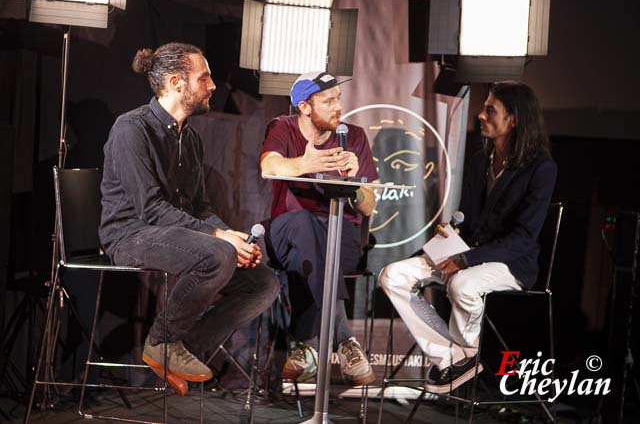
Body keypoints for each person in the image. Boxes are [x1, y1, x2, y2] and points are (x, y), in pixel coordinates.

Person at [99, 43, 279, 396]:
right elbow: (150, 209)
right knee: (219, 254)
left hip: (172, 234)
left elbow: (198, 206)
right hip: (129, 235)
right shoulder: (131, 129)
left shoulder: (190, 138)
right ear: (177, 82)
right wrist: (219, 239)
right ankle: (162, 342)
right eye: (205, 77)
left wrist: (231, 234)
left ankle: (184, 350)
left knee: (264, 282)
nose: (213, 86)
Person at [379, 81, 557, 393]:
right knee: (393, 275)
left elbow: (524, 238)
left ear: (513, 119)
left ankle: (461, 359)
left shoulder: (541, 167)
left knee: (462, 284)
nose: (480, 115)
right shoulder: (480, 160)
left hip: (511, 263)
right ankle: (452, 358)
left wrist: (465, 259)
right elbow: (469, 219)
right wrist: (451, 232)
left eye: (491, 110)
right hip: (468, 253)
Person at [260, 72, 377, 386]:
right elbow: (269, 166)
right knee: (304, 224)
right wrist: (307, 164)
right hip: (289, 233)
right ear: (304, 107)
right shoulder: (282, 127)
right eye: (328, 101)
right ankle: (345, 339)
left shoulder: (354, 136)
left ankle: (308, 347)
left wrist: (354, 184)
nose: (338, 106)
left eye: (338, 98)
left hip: (341, 236)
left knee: (319, 250)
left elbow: (369, 206)